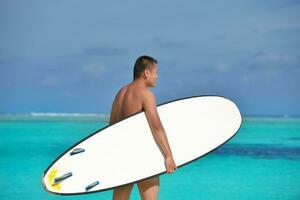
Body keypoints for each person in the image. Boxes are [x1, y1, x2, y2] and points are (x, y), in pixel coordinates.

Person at [109, 55, 177, 200]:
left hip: (123, 157)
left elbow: (111, 130)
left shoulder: (119, 94)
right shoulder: (146, 95)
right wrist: (168, 155)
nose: (157, 76)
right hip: (143, 155)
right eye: (156, 72)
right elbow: (156, 126)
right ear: (146, 73)